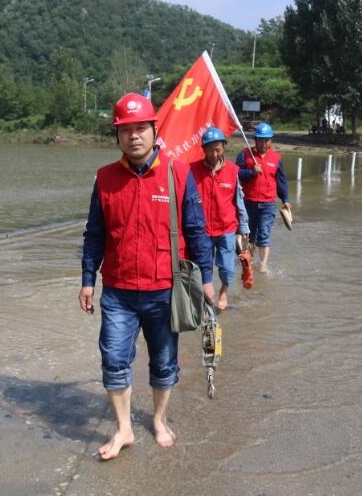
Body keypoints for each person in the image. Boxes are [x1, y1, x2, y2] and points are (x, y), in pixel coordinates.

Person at [79, 93, 215, 460]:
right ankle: (124, 429)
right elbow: (94, 234)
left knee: (164, 362)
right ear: (117, 136)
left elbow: (197, 231)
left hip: (165, 290)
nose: (133, 136)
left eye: (141, 128)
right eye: (125, 130)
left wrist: (206, 280)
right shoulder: (105, 178)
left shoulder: (178, 173)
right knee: (113, 359)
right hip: (118, 292)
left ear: (155, 130)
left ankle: (158, 418)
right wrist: (88, 279)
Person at [189, 126, 250, 310]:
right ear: (203, 149)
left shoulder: (233, 171)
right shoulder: (192, 170)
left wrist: (244, 227)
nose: (214, 154)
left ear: (224, 147)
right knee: (202, 267)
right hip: (202, 230)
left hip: (226, 228)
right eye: (210, 149)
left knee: (228, 268)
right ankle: (206, 302)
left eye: (218, 149)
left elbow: (239, 201)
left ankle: (224, 290)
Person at [235, 122, 291, 274]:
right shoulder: (245, 154)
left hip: (268, 204)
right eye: (261, 140)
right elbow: (235, 174)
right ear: (255, 140)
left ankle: (263, 264)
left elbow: (281, 181)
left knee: (264, 234)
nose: (264, 143)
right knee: (249, 235)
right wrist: (251, 172)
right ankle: (249, 262)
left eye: (267, 140)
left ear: (271, 140)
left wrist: (285, 199)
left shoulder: (276, 158)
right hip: (248, 203)